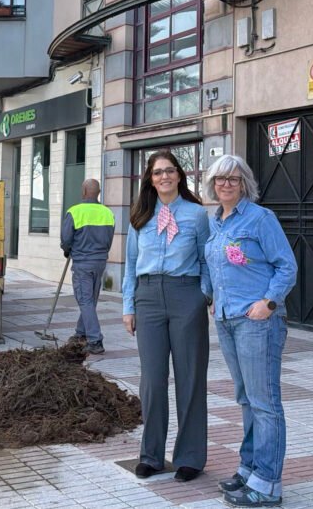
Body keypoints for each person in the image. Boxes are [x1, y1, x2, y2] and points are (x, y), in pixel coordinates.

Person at [204, 154, 297, 508]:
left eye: (233, 178)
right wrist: (213, 296)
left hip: (258, 322)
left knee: (265, 402)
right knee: (246, 399)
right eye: (220, 179)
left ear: (244, 184)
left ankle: (268, 484)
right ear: (212, 184)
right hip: (227, 320)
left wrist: (268, 303)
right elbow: (215, 267)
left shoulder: (261, 218)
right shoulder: (216, 223)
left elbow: (287, 266)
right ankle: (249, 469)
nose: (226, 184)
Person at [122, 150, 211, 483]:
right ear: (150, 178)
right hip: (148, 299)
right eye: (158, 172)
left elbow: (206, 260)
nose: (164, 177)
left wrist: (204, 294)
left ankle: (189, 457)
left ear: (179, 175)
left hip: (185, 295)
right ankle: (151, 456)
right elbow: (130, 264)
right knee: (152, 380)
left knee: (190, 378)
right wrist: (128, 306)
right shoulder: (140, 216)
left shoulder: (197, 215)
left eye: (170, 171)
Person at [60, 178, 115, 355]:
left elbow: (66, 239)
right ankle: (80, 333)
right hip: (100, 262)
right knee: (90, 300)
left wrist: (67, 250)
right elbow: (109, 240)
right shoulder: (107, 213)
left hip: (83, 263)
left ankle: (95, 340)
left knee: (85, 300)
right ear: (98, 193)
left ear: (83, 191)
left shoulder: (74, 212)